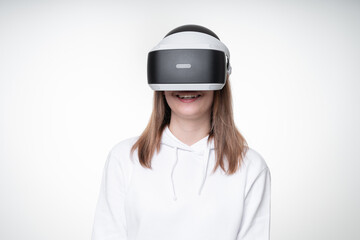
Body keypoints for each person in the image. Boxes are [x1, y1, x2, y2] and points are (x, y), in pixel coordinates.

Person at [91, 25, 271, 240]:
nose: (187, 87)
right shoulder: (124, 158)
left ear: (222, 77)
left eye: (198, 70)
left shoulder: (250, 167)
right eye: (175, 72)